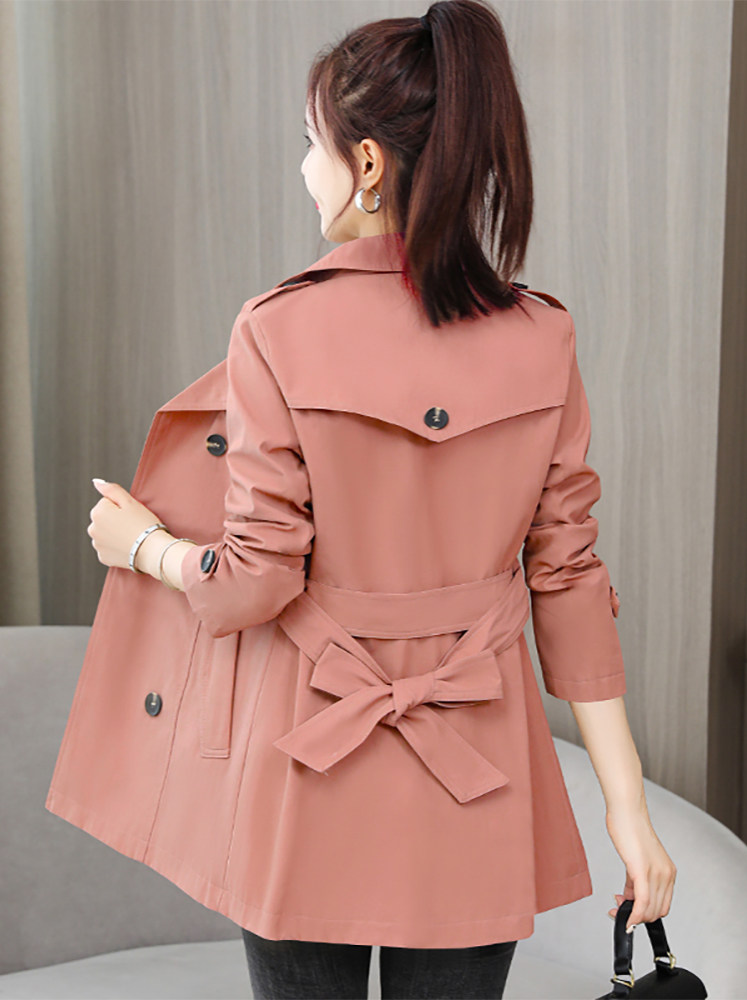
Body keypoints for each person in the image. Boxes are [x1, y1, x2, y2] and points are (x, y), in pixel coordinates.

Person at [83, 1, 677, 997]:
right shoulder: (543, 335)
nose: (302, 169)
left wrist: (142, 546)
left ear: (365, 164)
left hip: (303, 771)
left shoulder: (277, 328)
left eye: (308, 143)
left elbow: (253, 583)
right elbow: (569, 581)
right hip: (478, 776)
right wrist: (630, 810)